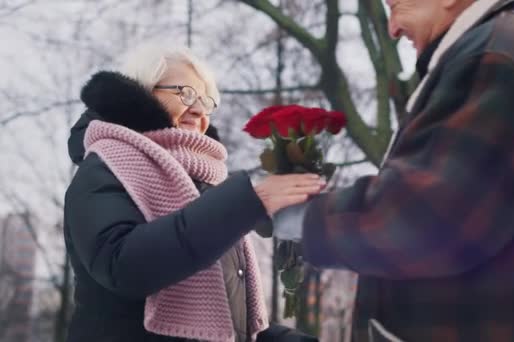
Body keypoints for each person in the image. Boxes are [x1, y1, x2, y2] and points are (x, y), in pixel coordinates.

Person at [273, 0, 514, 341]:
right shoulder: (503, 50)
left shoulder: (503, 55)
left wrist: (294, 215)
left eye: (397, 5)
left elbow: (424, 219)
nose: (392, 30)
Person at [63, 43, 324, 342]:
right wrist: (249, 203)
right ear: (142, 93)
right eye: (185, 93)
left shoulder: (204, 185)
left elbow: (228, 324)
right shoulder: (105, 166)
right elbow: (123, 266)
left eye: (207, 100)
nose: (199, 109)